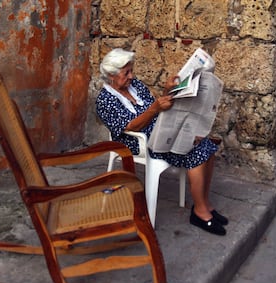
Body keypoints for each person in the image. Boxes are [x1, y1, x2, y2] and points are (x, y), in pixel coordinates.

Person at [96, 48, 228, 236]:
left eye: (131, 71)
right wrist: (156, 109)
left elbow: (154, 105)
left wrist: (168, 91)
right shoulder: (105, 99)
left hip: (160, 130)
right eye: (127, 73)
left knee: (206, 145)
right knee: (194, 152)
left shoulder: (135, 86)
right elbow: (130, 127)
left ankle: (205, 204)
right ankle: (199, 212)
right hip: (136, 142)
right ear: (111, 75)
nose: (132, 76)